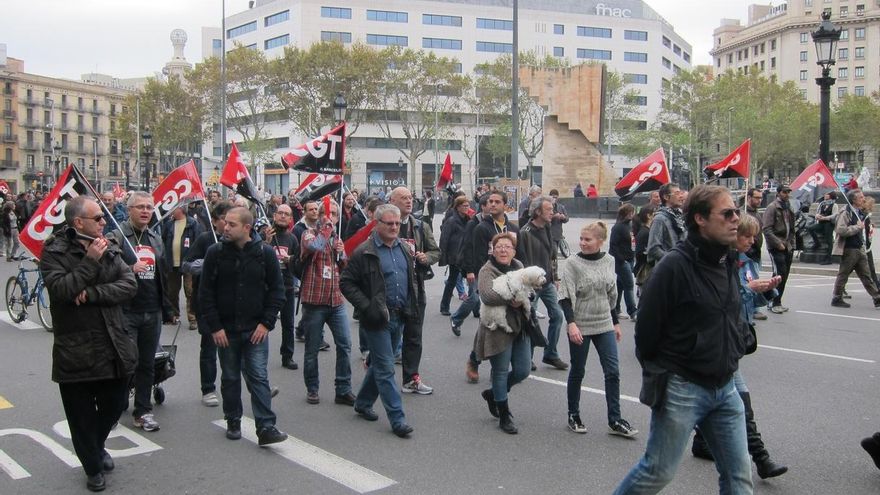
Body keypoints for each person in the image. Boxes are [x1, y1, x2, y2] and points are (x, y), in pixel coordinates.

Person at [614, 185, 753, 495]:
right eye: (727, 213)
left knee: (739, 477)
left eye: (736, 212)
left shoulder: (727, 259)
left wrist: (737, 344)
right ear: (700, 219)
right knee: (657, 472)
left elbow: (728, 312)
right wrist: (664, 375)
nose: (736, 218)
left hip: (725, 387)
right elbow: (646, 333)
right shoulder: (674, 266)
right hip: (683, 388)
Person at [41, 196, 138, 492]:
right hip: (77, 347)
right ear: (78, 222)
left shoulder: (108, 245)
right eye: (97, 218)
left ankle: (96, 446)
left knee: (115, 403)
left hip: (112, 341)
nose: (103, 221)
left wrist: (93, 294)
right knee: (80, 416)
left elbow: (129, 284)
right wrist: (90, 261)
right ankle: (93, 467)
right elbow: (61, 290)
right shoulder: (54, 251)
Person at [690, 214, 788, 479]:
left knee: (716, 398)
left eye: (753, 236)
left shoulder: (747, 262)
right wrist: (748, 288)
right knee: (740, 401)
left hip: (733, 340)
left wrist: (766, 290)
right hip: (717, 342)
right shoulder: (720, 264)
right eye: (747, 236)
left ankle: (702, 441)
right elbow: (723, 299)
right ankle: (761, 459)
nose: (752, 241)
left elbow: (752, 303)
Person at [199, 206, 288, 446]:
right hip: (226, 331)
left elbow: (277, 292)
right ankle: (233, 420)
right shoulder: (215, 253)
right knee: (230, 377)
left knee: (258, 376)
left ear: (247, 228)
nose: (225, 228)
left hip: (255, 329)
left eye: (232, 224)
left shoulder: (265, 253)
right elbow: (205, 294)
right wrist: (215, 327)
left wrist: (266, 324)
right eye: (225, 223)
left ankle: (266, 427)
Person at [340, 203, 416, 438]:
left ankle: (363, 403)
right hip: (377, 319)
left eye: (397, 223)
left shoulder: (404, 248)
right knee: (385, 369)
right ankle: (398, 419)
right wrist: (367, 307)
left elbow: (410, 281)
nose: (394, 227)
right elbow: (346, 283)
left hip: (399, 316)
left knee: (381, 364)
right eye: (389, 223)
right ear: (377, 224)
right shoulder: (364, 251)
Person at [559, 221, 638, 438]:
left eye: (588, 239)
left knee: (612, 371)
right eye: (581, 239)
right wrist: (571, 323)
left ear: (600, 241)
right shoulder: (572, 263)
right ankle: (573, 415)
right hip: (580, 324)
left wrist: (615, 323)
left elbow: (611, 294)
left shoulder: (609, 260)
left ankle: (615, 419)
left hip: (604, 322)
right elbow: (565, 296)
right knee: (578, 370)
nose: (583, 243)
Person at [107, 191, 170, 433]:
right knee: (124, 362)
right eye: (140, 207)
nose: (145, 211)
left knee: (147, 364)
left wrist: (168, 307)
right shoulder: (117, 235)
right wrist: (129, 268)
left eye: (149, 207)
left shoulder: (155, 237)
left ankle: (143, 410)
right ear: (129, 209)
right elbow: (106, 264)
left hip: (151, 309)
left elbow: (162, 274)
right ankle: (113, 408)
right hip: (126, 309)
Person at [457, 191, 520, 382]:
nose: (492, 204)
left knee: (509, 320)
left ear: (505, 205)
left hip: (511, 279)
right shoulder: (481, 228)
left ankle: (499, 368)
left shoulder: (513, 228)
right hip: (489, 278)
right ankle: (474, 360)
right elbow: (476, 255)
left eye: (497, 201)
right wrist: (474, 275)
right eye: (490, 201)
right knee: (487, 322)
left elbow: (519, 255)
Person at [474, 233, 531, 434]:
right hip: (497, 327)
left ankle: (493, 394)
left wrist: (524, 296)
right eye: (499, 247)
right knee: (500, 371)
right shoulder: (486, 270)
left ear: (514, 251)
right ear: (493, 250)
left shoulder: (519, 266)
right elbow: (487, 296)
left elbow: (529, 288)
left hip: (520, 324)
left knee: (523, 370)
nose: (503, 250)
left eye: (507, 247)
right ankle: (504, 415)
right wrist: (512, 299)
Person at [299, 199, 354, 405]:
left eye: (334, 215)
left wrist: (342, 252)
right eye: (326, 214)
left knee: (345, 345)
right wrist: (326, 231)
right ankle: (312, 388)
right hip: (315, 301)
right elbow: (314, 247)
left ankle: (343, 389)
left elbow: (345, 265)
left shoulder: (336, 238)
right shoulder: (309, 234)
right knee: (312, 349)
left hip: (335, 300)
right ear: (320, 217)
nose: (330, 219)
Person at [389, 187, 440, 394]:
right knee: (389, 337)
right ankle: (375, 368)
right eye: (403, 198)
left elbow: (436, 251)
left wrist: (426, 257)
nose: (409, 201)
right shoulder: (383, 225)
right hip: (391, 292)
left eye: (410, 198)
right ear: (392, 201)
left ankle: (410, 379)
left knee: (413, 337)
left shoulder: (420, 226)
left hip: (415, 289)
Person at [183, 200, 232, 407]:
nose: (228, 225)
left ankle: (244, 386)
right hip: (207, 303)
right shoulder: (205, 239)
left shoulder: (238, 239)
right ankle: (208, 388)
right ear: (215, 221)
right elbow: (186, 265)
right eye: (224, 220)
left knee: (235, 349)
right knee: (210, 347)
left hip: (232, 303)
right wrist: (207, 263)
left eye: (232, 221)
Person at [517, 196, 567, 370]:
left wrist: (555, 277)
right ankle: (528, 358)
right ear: (538, 211)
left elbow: (552, 257)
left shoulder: (547, 227)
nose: (553, 212)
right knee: (530, 320)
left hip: (547, 282)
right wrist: (527, 285)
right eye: (549, 209)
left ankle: (550, 354)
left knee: (557, 316)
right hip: (531, 286)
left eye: (552, 209)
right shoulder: (525, 232)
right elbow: (521, 262)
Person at [262, 203, 300, 371]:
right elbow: (255, 255)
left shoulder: (292, 239)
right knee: (263, 323)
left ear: (291, 218)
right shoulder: (266, 234)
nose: (283, 216)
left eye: (286, 214)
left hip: (287, 286)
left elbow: (298, 262)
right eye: (280, 213)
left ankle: (287, 355)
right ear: (275, 215)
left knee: (288, 323)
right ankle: (259, 356)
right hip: (267, 287)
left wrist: (290, 259)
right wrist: (266, 242)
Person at [830, 190, 880, 309]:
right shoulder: (846, 212)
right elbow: (841, 230)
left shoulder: (859, 212)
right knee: (843, 274)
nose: (863, 199)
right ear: (854, 200)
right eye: (861, 197)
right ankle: (836, 298)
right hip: (849, 248)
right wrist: (857, 227)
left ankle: (877, 298)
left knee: (866, 275)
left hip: (859, 247)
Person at [161, 206, 202, 330]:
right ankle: (174, 315)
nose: (171, 210)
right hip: (172, 263)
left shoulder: (193, 224)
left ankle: (192, 318)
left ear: (181, 210)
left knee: (190, 291)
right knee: (172, 291)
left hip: (188, 263)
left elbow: (198, 242)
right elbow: (163, 240)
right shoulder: (169, 224)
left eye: (174, 208)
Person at [762, 184, 796, 314]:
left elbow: (792, 229)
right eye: (784, 192)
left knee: (784, 275)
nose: (787, 194)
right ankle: (772, 301)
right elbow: (767, 229)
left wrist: (791, 244)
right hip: (776, 247)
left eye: (788, 192)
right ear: (778, 193)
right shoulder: (772, 208)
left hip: (788, 246)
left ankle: (777, 301)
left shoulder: (789, 207)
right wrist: (778, 243)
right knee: (779, 274)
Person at [439, 196, 471, 315]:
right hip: (454, 256)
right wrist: (444, 257)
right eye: (464, 206)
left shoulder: (468, 220)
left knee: (471, 281)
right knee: (452, 281)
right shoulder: (451, 221)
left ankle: (474, 307)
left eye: (468, 205)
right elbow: (444, 239)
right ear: (458, 207)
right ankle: (444, 307)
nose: (467, 208)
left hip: (465, 255)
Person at [743, 188, 769, 320]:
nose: (759, 200)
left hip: (756, 253)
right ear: (749, 197)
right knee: (748, 281)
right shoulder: (743, 213)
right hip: (747, 254)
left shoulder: (757, 214)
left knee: (755, 279)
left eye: (761, 198)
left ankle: (754, 308)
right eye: (757, 198)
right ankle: (751, 310)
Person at [646, 183, 686, 267]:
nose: (681, 196)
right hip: (669, 269)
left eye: (681, 193)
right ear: (666, 197)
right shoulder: (659, 219)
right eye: (677, 193)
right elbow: (653, 248)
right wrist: (673, 260)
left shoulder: (680, 217)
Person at [609, 204, 638, 320]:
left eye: (632, 212)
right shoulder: (618, 227)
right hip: (622, 261)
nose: (631, 214)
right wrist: (621, 259)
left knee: (620, 285)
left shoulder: (630, 225)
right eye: (629, 212)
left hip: (630, 258)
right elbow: (613, 245)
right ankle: (633, 311)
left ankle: (616, 309)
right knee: (629, 285)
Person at [809, 191, 839, 265]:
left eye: (827, 194)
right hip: (821, 223)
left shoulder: (834, 205)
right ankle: (817, 243)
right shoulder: (822, 204)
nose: (825, 195)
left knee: (829, 240)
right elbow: (818, 212)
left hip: (829, 224)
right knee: (810, 228)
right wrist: (817, 216)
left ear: (831, 196)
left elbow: (835, 215)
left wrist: (825, 218)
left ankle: (829, 258)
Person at [633, 206, 655, 292]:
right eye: (654, 214)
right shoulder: (645, 232)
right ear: (649, 216)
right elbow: (639, 253)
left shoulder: (647, 231)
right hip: (646, 270)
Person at [548, 189, 569, 257]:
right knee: (552, 253)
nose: (554, 199)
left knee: (555, 254)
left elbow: (567, 219)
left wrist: (564, 217)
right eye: (553, 197)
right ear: (550, 197)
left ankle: (554, 262)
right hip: (549, 235)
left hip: (558, 234)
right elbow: (544, 218)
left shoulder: (561, 207)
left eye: (556, 197)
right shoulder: (546, 206)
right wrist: (554, 216)